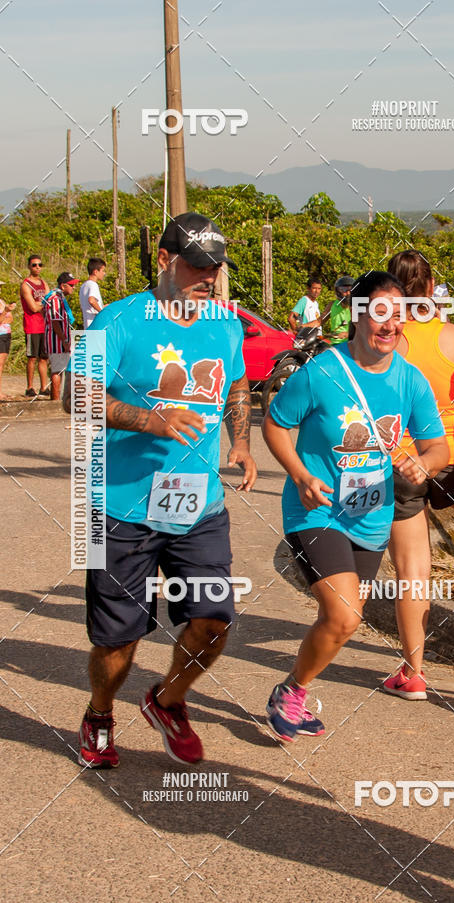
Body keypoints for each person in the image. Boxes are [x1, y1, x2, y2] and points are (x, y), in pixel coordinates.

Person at [64, 213, 257, 768]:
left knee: (213, 620)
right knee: (118, 640)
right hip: (121, 507)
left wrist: (240, 443)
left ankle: (167, 700)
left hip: (199, 505)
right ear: (166, 262)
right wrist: (149, 419)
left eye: (215, 268)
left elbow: (237, 381)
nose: (208, 277)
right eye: (197, 266)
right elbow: (75, 396)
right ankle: (101, 714)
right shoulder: (119, 322)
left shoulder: (222, 323)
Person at [262, 271, 448, 741]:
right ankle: (292, 696)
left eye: (398, 314)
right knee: (345, 614)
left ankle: (293, 688)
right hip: (316, 510)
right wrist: (300, 475)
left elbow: (438, 446)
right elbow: (276, 423)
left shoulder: (410, 381)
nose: (389, 325)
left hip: (371, 516)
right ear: (359, 315)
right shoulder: (322, 371)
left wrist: (423, 465)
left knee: (341, 623)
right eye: (379, 313)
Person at [383, 250, 454, 697]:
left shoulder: (391, 340)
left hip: (407, 461)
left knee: (413, 572)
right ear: (432, 283)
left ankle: (413, 673)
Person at [43, 272, 78, 401]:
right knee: (57, 370)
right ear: (63, 286)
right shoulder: (55, 299)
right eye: (71, 285)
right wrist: (63, 340)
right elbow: (55, 322)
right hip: (56, 340)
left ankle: (56, 397)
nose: (73, 288)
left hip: (58, 339)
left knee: (60, 369)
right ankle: (55, 399)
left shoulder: (58, 298)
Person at [20, 254, 49, 397]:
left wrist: (41, 304)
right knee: (32, 357)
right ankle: (30, 387)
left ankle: (44, 387)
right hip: (32, 325)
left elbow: (49, 302)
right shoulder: (26, 284)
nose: (37, 267)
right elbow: (33, 307)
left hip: (44, 325)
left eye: (39, 264)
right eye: (34, 265)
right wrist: (41, 304)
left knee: (44, 357)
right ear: (29, 266)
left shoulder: (43, 283)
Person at [321, 275, 354, 344]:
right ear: (338, 291)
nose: (348, 293)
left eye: (350, 290)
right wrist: (304, 326)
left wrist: (347, 334)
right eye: (344, 290)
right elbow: (319, 321)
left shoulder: (358, 307)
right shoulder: (332, 305)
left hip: (350, 345)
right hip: (334, 345)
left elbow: (363, 329)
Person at [79, 257, 106, 329]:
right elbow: (91, 300)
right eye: (103, 271)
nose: (104, 273)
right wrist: (102, 312)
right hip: (95, 327)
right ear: (95, 272)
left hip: (87, 327)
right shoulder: (93, 284)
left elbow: (89, 306)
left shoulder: (84, 286)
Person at [0, 285, 16, 401]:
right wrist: (5, 312)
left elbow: (10, 319)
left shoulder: (1, 301)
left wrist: (5, 315)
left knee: (1, 365)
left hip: (6, 334)